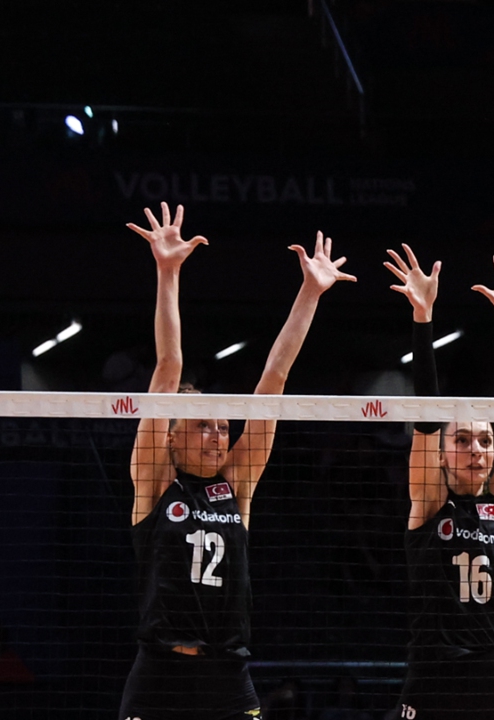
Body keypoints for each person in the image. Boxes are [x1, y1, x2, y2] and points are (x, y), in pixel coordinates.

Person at [120, 202, 356, 720]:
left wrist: (310, 293)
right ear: (173, 438)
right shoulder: (155, 484)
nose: (218, 436)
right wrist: (167, 272)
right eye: (203, 425)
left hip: (227, 675)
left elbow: (273, 381)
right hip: (158, 672)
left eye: (223, 427)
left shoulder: (236, 487)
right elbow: (168, 368)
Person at [383, 244, 494, 720]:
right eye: (464, 441)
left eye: (484, 442)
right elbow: (427, 420)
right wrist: (423, 318)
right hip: (434, 670)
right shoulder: (430, 502)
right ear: (442, 454)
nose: (477, 450)